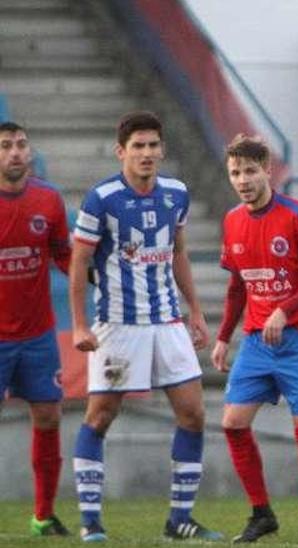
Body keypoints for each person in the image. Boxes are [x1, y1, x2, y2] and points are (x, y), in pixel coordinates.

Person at [69, 111, 221, 542]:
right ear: (122, 152)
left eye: (153, 145)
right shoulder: (101, 198)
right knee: (100, 416)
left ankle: (180, 520)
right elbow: (79, 263)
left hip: (167, 322)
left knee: (193, 414)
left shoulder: (176, 193)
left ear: (163, 149)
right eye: (138, 146)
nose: (147, 153)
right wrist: (81, 325)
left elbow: (179, 253)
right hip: (118, 327)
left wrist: (194, 310)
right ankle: (91, 520)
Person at [212, 134, 298, 544]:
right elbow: (237, 285)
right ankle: (261, 513)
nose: (243, 179)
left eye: (250, 170)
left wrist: (285, 310)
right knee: (232, 424)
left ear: (267, 171)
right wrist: (222, 337)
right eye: (236, 172)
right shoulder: (232, 221)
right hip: (256, 342)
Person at [0, 121, 72, 537]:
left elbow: (62, 254)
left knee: (47, 416)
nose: (14, 152)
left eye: (21, 145)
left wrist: (90, 272)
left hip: (37, 334)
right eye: (6, 145)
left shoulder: (48, 199)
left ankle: (43, 515)